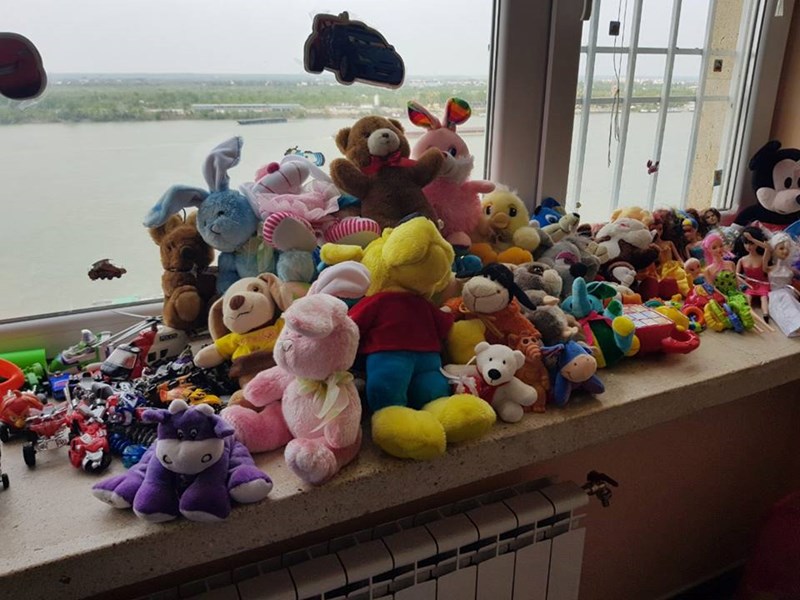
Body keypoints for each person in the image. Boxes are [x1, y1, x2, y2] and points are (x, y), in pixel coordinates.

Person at [735, 227, 770, 321]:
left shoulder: (762, 258)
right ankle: (750, 315)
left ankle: (765, 314)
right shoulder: (742, 260)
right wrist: (744, 284)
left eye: (751, 243)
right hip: (749, 285)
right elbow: (737, 275)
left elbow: (767, 247)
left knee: (764, 298)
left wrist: (752, 239)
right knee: (747, 299)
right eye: (746, 243)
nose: (748, 246)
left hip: (762, 283)